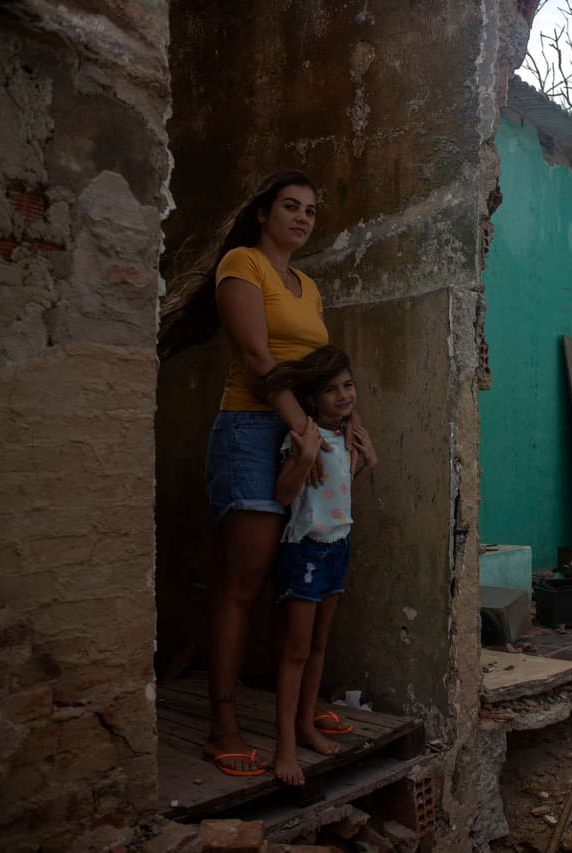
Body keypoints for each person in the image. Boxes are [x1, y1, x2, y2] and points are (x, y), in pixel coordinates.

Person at [202, 171, 330, 777]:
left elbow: (319, 369)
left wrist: (339, 425)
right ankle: (222, 724)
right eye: (290, 206)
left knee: (302, 579)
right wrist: (301, 428)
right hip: (253, 433)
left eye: (310, 210)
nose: (302, 218)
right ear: (263, 212)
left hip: (301, 433)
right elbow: (258, 358)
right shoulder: (241, 264)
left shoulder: (308, 286)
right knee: (243, 585)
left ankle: (296, 716)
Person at [265, 346, 377, 786]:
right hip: (306, 552)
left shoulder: (348, 438)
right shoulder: (301, 438)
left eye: (347, 385)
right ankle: (285, 747)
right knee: (295, 650)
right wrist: (306, 458)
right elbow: (282, 496)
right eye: (330, 390)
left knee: (317, 647)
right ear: (312, 399)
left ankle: (306, 724)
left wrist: (368, 463)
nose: (343, 395)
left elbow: (343, 497)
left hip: (338, 548)